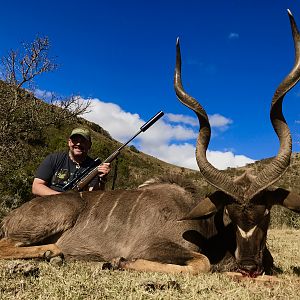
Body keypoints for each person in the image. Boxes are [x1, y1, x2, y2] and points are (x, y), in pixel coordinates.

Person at [32, 127, 111, 196]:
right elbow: (36, 187)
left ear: (89, 145)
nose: (78, 144)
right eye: (75, 140)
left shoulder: (95, 166)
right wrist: (62, 197)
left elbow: (93, 195)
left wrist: (102, 180)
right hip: (50, 203)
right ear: (69, 142)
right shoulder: (54, 159)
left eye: (83, 141)